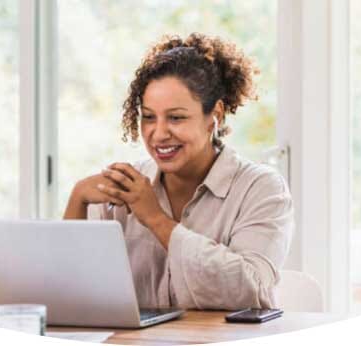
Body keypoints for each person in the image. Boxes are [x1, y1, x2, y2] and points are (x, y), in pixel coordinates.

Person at [64, 33, 293, 310]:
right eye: (148, 117)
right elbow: (70, 293)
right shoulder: (122, 187)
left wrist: (155, 219)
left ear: (215, 117)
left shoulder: (261, 189)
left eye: (176, 117)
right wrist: (78, 199)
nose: (158, 134)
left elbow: (249, 291)